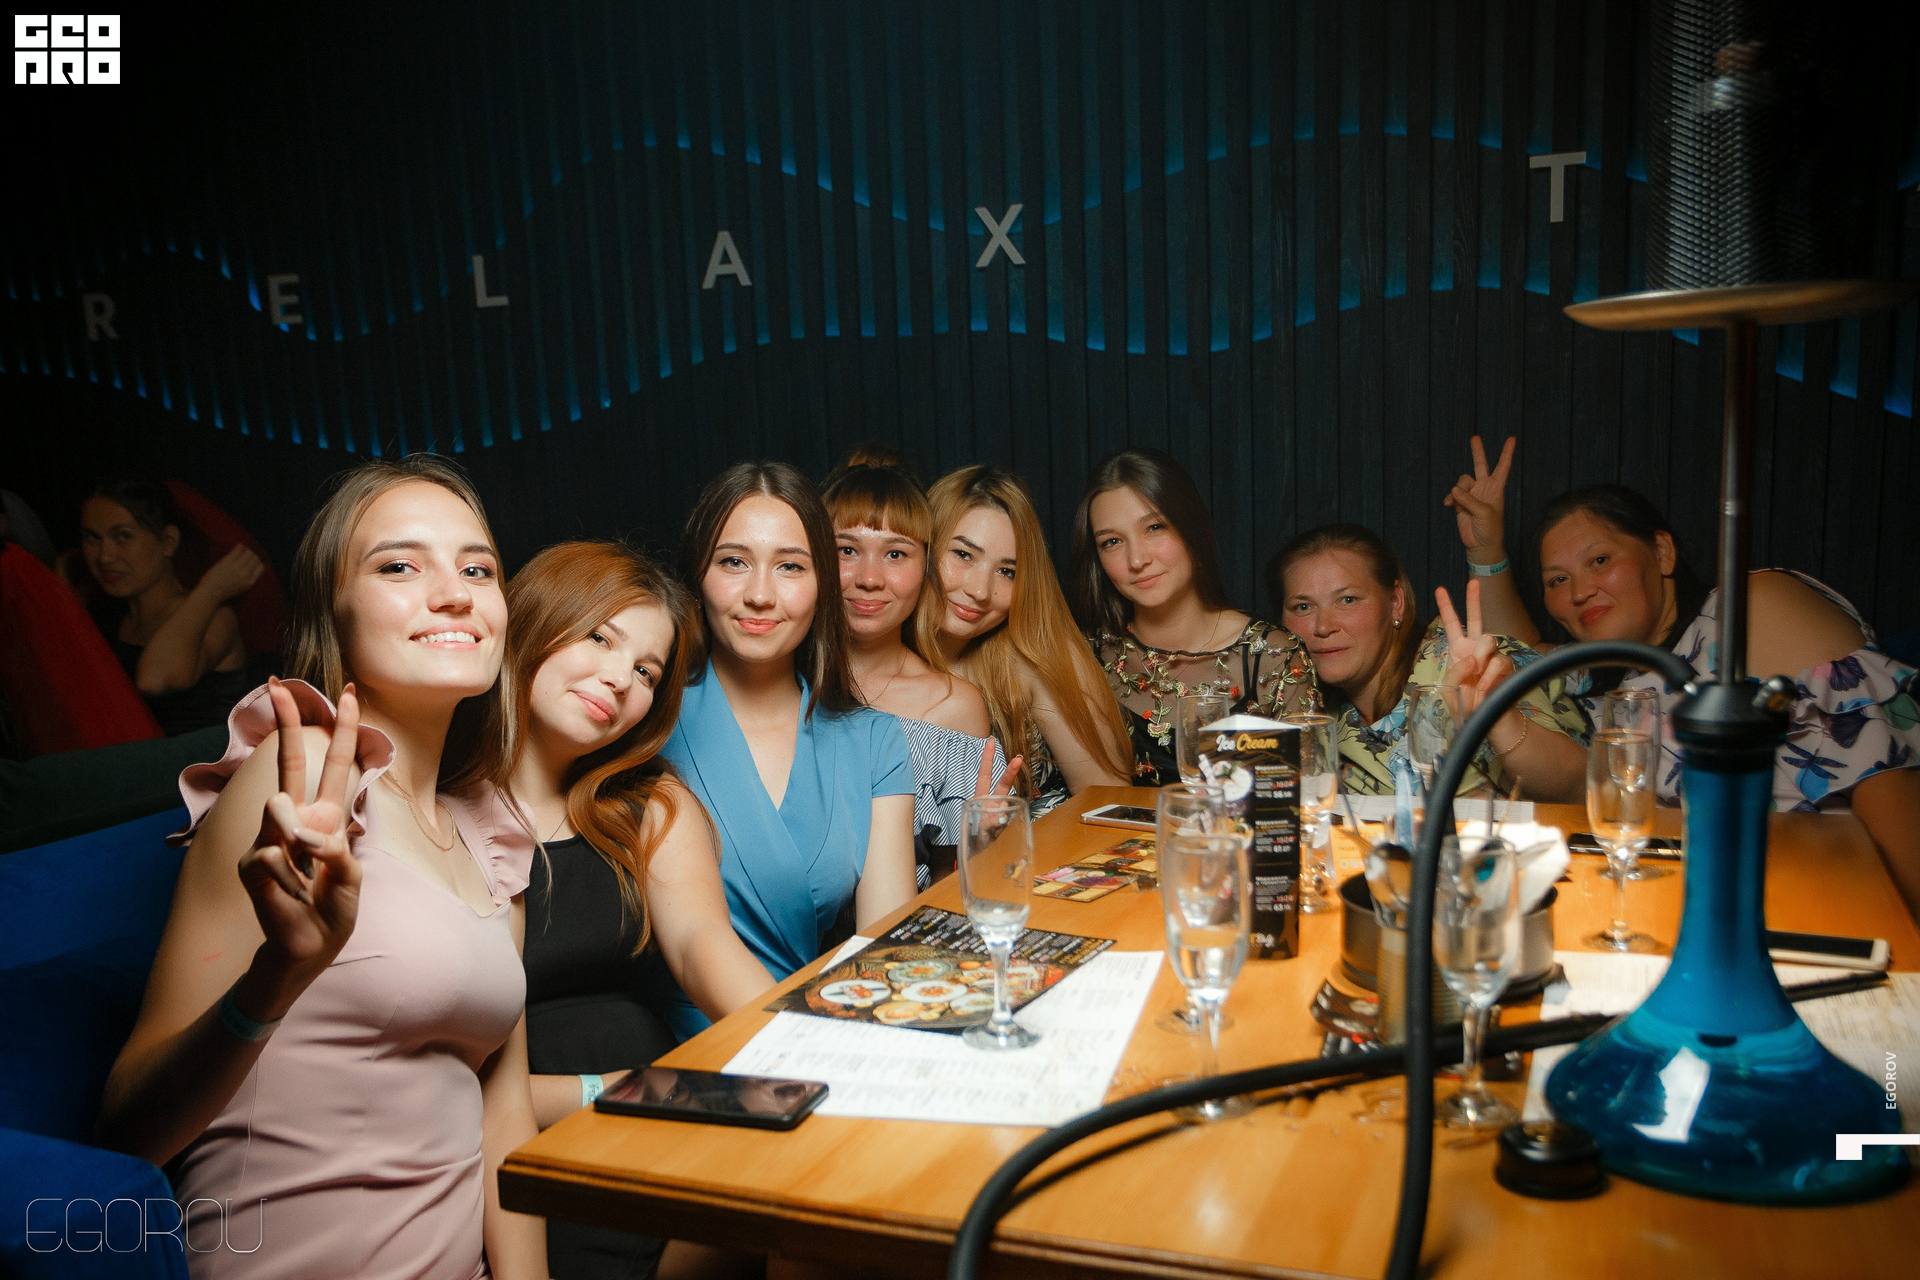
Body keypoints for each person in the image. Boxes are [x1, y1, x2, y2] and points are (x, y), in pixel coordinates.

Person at [97, 456, 545, 1280]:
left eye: (478, 569)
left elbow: (501, 1112)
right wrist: (279, 972)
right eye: (399, 566)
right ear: (332, 615)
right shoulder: (293, 779)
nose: (455, 593)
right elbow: (128, 1135)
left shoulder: (490, 839)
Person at [450, 540, 775, 1280]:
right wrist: (618, 1090)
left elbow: (704, 947)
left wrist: (801, 1047)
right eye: (601, 638)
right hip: (523, 1146)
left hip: (663, 1122)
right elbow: (442, 1089)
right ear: (537, 617)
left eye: (647, 672)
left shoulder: (648, 805)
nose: (621, 679)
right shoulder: (434, 813)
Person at [1447, 444, 1920, 912]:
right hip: (1690, 907)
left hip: (1837, 898)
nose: (1580, 591)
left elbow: (1881, 770)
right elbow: (1514, 647)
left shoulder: (1749, 610)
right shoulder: (1600, 674)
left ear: (1662, 553)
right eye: (1557, 580)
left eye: (1600, 561)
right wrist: (1486, 550)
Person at [655, 461, 917, 1040]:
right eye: (733, 562)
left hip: (824, 1031)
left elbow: (883, 949)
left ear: (822, 583)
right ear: (698, 574)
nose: (759, 595)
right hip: (680, 1050)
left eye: (790, 567)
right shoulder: (645, 716)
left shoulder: (875, 742)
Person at [1268, 523, 1590, 802]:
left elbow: (1579, 789)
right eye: (1302, 607)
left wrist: (1498, 718)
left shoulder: (1467, 664)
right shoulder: (1309, 701)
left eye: (1347, 600)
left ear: (1395, 603)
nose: (1323, 626)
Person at [1068, 448, 1316, 784]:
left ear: (1190, 527)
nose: (1136, 559)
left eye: (1154, 527)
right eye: (1112, 541)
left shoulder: (1274, 656)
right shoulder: (1085, 657)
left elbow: (1306, 795)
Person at [822, 456, 1012, 885]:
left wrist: (979, 845)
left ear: (926, 568)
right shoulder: (777, 683)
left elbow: (948, 883)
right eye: (847, 550)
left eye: (895, 554)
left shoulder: (954, 706)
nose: (870, 578)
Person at [922, 465, 1133, 816]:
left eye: (1007, 572)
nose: (980, 591)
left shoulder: (1036, 656)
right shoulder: (876, 657)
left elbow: (1111, 806)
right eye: (963, 555)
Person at [79, 479, 260, 735]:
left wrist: (210, 590)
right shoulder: (106, 616)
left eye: (123, 536)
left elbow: (154, 680)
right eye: (92, 538)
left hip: (202, 759)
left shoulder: (216, 617)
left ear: (168, 542)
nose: (104, 556)